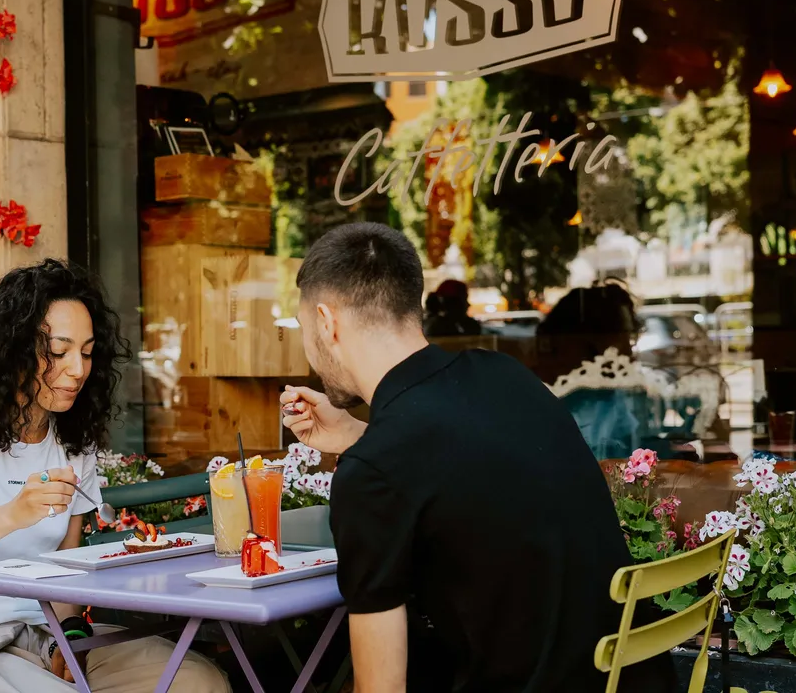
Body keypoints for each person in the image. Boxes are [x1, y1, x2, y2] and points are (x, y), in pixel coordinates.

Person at [280, 223, 678, 693]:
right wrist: (357, 437)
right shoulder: (504, 376)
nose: (308, 347)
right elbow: (454, 463)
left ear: (327, 322)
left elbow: (381, 688)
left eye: (305, 329)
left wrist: (367, 454)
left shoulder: (375, 474)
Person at [0, 259, 229, 693]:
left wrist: (74, 636)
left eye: (86, 352)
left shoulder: (72, 442)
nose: (78, 369)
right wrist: (11, 514)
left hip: (45, 636)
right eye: (59, 352)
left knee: (198, 681)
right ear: (14, 351)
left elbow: (67, 568)